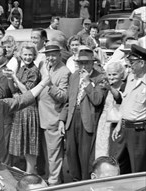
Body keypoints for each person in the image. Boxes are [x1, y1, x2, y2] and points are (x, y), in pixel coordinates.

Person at [58, 45, 108, 181]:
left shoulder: (100, 78)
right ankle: (75, 182)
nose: (83, 66)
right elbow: (69, 100)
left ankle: (86, 184)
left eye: (86, 63)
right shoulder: (74, 76)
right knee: (71, 155)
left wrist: (87, 83)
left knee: (86, 158)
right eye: (80, 63)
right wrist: (62, 120)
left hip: (87, 121)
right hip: (72, 119)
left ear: (93, 63)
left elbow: (97, 100)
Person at [38, 43, 71, 186]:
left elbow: (64, 97)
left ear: (59, 55)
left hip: (53, 119)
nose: (50, 58)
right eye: (48, 55)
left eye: (53, 55)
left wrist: (49, 83)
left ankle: (54, 186)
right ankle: (54, 182)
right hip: (42, 118)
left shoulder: (65, 72)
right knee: (47, 156)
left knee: (54, 157)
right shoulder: (46, 67)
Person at [8, 42, 42, 174]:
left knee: (30, 145)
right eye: (25, 54)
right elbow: (15, 90)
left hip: (29, 110)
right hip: (20, 109)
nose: (27, 57)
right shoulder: (22, 68)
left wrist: (15, 78)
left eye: (30, 55)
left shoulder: (33, 70)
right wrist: (11, 79)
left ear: (34, 56)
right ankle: (26, 174)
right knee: (22, 145)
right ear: (20, 55)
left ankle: (30, 174)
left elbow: (27, 91)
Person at [112, 44, 146, 174]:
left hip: (139, 132)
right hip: (125, 128)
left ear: (142, 63)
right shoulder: (131, 78)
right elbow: (126, 104)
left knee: (138, 169)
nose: (129, 65)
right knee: (118, 165)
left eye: (132, 62)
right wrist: (120, 124)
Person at [95, 62, 125, 158]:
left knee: (113, 153)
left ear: (121, 74)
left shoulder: (124, 86)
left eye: (114, 74)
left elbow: (118, 98)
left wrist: (110, 88)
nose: (111, 77)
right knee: (101, 152)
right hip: (104, 123)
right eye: (109, 74)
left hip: (116, 124)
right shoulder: (105, 87)